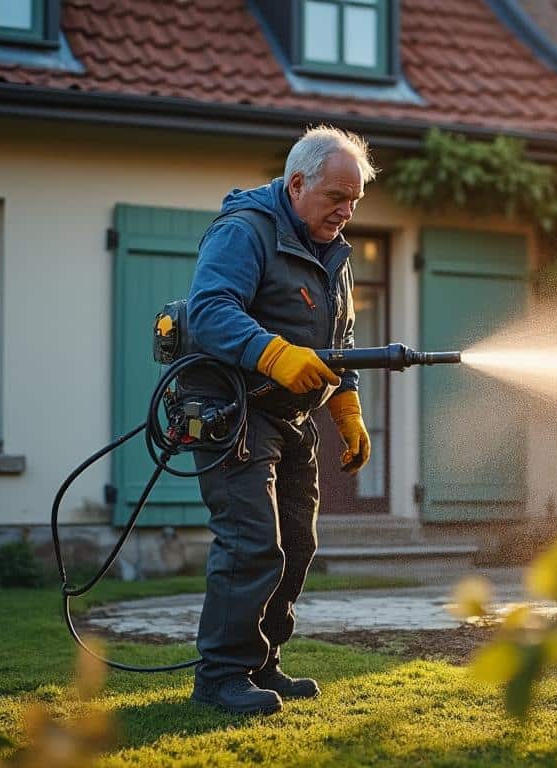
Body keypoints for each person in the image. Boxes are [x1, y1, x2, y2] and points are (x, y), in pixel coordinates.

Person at [183, 126, 376, 715]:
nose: (345, 211)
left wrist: (346, 407)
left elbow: (338, 340)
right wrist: (274, 353)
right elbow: (208, 310)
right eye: (336, 197)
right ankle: (219, 677)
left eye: (354, 202)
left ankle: (260, 663)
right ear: (297, 184)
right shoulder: (245, 231)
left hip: (292, 419)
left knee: (296, 542)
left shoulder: (331, 252)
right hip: (234, 410)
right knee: (251, 543)